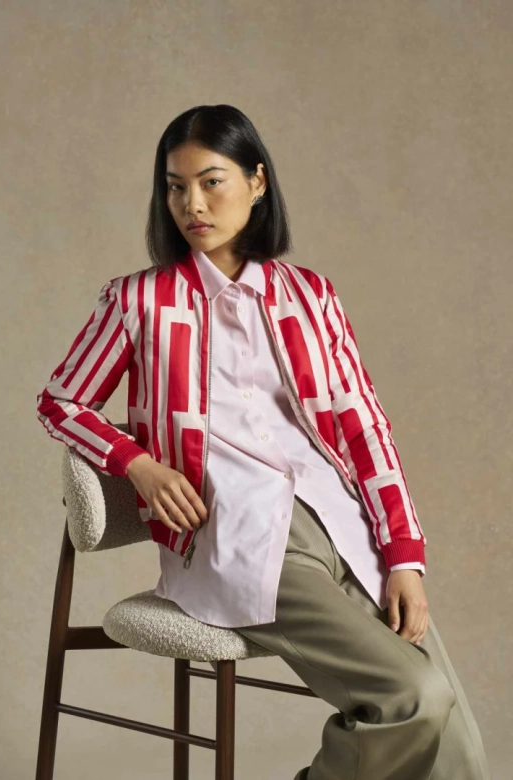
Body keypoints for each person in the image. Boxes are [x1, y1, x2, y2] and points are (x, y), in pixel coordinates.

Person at [36, 104, 490, 780]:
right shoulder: (139, 302)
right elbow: (61, 401)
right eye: (175, 186)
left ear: (257, 182)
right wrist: (138, 464)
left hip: (343, 527)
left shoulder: (311, 297)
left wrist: (404, 556)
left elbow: (364, 428)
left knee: (458, 747)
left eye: (211, 182)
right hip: (237, 536)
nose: (191, 204)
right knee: (413, 697)